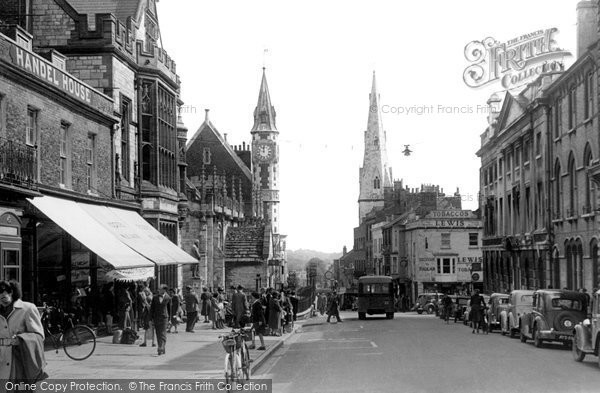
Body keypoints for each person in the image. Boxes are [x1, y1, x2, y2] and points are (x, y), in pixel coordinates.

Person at [0, 280, 47, 386]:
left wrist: (21, 339)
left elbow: (39, 336)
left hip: (19, 360)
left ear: (13, 292)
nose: (3, 295)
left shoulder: (27, 308)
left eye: (6, 291)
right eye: (0, 292)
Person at [150, 284, 171, 355]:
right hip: (156, 317)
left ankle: (160, 347)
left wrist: (170, 319)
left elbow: (169, 309)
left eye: (160, 289)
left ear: (164, 290)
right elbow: (152, 308)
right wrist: (151, 318)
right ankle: (161, 347)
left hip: (164, 317)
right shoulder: (155, 297)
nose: (158, 290)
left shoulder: (168, 298)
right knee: (158, 333)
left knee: (163, 333)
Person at [138, 283, 155, 348]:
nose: (145, 292)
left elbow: (149, 306)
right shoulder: (151, 297)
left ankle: (149, 342)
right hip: (149, 314)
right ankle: (151, 342)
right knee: (149, 328)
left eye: (146, 291)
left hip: (149, 315)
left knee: (148, 328)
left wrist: (146, 303)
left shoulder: (148, 298)